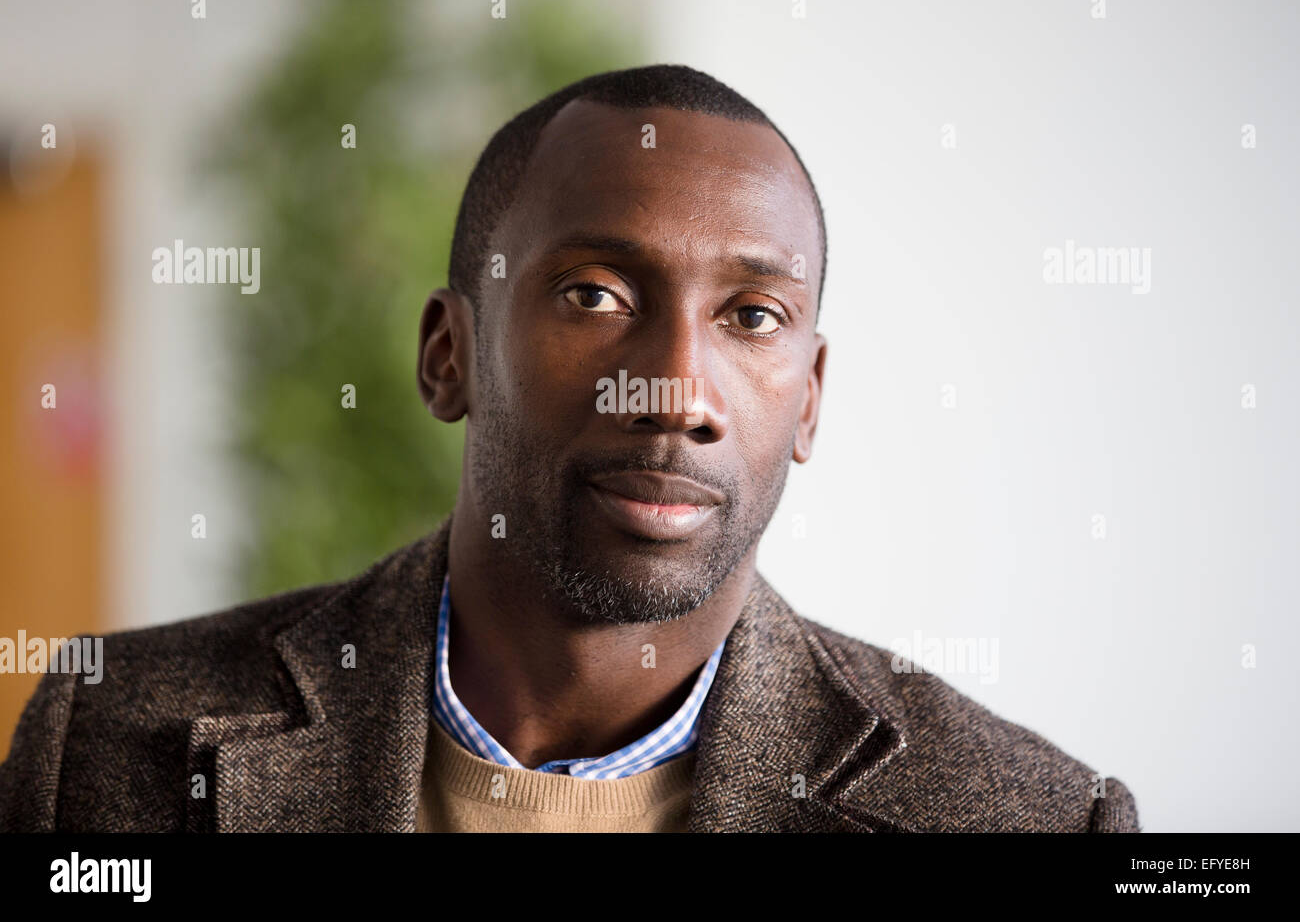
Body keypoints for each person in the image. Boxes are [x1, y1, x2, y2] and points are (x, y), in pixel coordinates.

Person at [0, 64, 1138, 832]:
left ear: (808, 401)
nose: (677, 389)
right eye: (594, 293)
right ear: (448, 354)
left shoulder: (1026, 815)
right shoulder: (108, 742)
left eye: (751, 315)